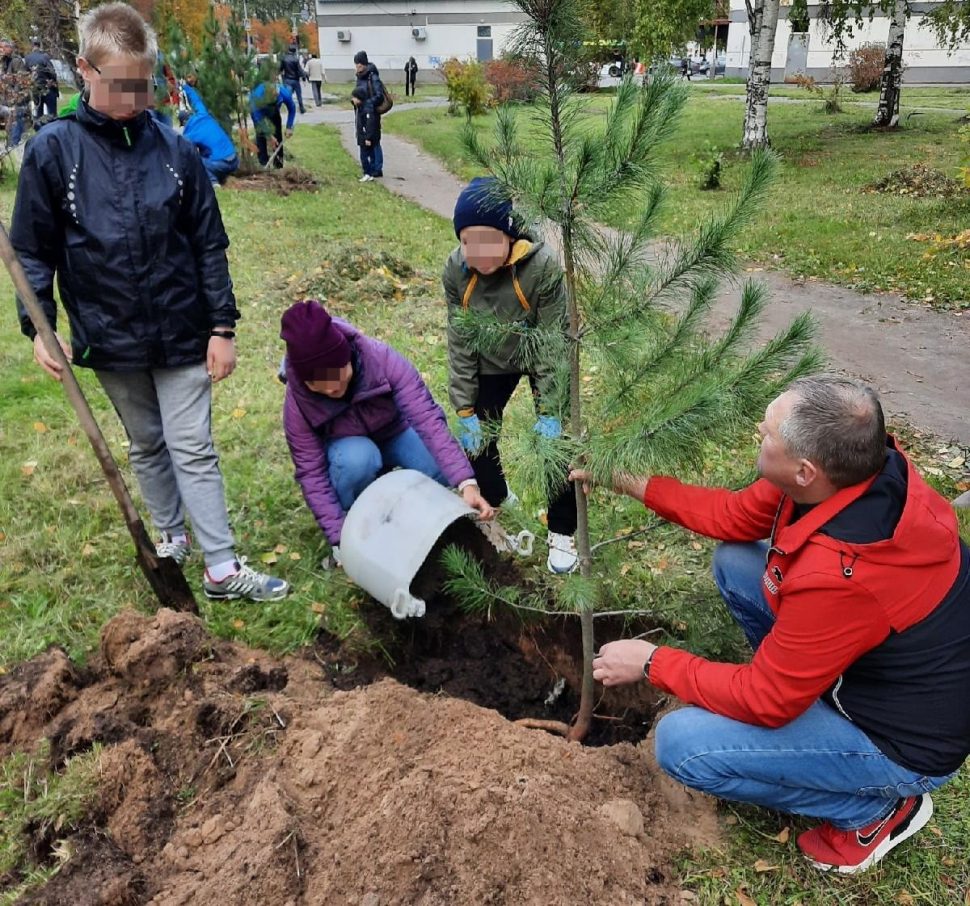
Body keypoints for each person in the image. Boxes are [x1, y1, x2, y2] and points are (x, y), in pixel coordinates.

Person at [574, 377, 970, 874]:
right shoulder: (856, 473)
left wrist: (652, 661)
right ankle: (808, 692)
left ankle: (877, 809)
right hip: (878, 672)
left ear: (806, 470)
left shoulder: (842, 576)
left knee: (683, 746)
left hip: (901, 741)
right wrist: (627, 480)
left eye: (768, 435)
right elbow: (733, 517)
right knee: (736, 561)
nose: (759, 428)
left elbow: (767, 700)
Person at [11, 2, 289, 604]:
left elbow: (209, 245)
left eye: (143, 83)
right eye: (120, 85)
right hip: (108, 332)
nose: (134, 97)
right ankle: (170, 537)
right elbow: (32, 249)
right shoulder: (53, 152)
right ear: (84, 70)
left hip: (183, 326)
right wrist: (40, 328)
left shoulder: (176, 150)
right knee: (147, 444)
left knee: (192, 445)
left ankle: (220, 566)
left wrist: (222, 325)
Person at [280, 300, 494, 559]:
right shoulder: (298, 402)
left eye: (338, 375)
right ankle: (354, 515)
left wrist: (465, 482)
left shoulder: (380, 360)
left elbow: (427, 420)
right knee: (358, 459)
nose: (331, 389)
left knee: (434, 463)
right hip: (348, 447)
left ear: (347, 356)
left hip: (394, 431)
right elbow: (311, 472)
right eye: (319, 384)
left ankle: (434, 515)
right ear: (305, 381)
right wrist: (339, 538)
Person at [444, 177, 578, 575]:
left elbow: (554, 343)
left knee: (556, 444)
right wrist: (465, 406)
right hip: (488, 357)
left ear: (509, 234)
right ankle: (498, 496)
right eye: (468, 242)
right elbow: (461, 340)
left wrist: (550, 409)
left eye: (487, 240)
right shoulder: (456, 270)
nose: (476, 253)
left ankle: (563, 531)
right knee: (477, 436)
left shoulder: (542, 269)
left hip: (538, 351)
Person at [179, 81, 238, 185]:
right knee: (208, 152)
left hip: (220, 164)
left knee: (197, 161)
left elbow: (182, 153)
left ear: (184, 123)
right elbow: (196, 100)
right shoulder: (203, 114)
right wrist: (185, 86)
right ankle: (223, 176)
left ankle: (213, 183)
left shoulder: (188, 135)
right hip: (234, 160)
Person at [250, 79, 295, 168]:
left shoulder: (283, 93)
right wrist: (269, 136)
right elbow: (259, 120)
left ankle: (278, 163)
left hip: (274, 111)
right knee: (261, 134)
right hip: (259, 110)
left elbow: (292, 108)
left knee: (277, 133)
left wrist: (289, 126)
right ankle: (263, 163)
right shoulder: (257, 97)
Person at [353, 50, 385, 178]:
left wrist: (368, 103)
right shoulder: (359, 78)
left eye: (359, 65)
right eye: (356, 65)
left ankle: (378, 167)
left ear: (365, 64)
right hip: (361, 111)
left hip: (372, 112)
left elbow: (379, 96)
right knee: (366, 140)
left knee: (374, 139)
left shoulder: (373, 77)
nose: (357, 67)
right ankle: (371, 166)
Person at [0, 36, 29, 147]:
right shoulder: (4, 61)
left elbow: (21, 81)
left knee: (16, 120)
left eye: (3, 47)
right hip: (6, 99)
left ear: (10, 48)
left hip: (16, 99)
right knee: (10, 122)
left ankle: (14, 145)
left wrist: (14, 97)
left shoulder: (16, 61)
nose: (1, 50)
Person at [351, 85, 380, 182]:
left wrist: (368, 137)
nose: (352, 99)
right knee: (370, 155)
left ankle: (367, 172)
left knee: (364, 156)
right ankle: (370, 172)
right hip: (362, 135)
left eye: (354, 97)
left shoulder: (367, 109)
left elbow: (369, 124)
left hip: (365, 137)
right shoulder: (360, 107)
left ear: (359, 98)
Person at [24, 39, 59, 119]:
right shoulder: (45, 56)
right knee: (52, 113)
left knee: (38, 112)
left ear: (32, 46)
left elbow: (26, 74)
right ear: (40, 46)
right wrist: (55, 86)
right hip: (48, 87)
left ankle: (40, 129)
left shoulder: (27, 58)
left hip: (35, 88)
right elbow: (52, 72)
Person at [279, 43, 307, 115]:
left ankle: (289, 108)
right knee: (299, 95)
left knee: (288, 95)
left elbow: (280, 69)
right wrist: (303, 77)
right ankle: (301, 108)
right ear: (294, 51)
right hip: (295, 80)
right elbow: (299, 70)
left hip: (287, 79)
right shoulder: (295, 59)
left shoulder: (284, 58)